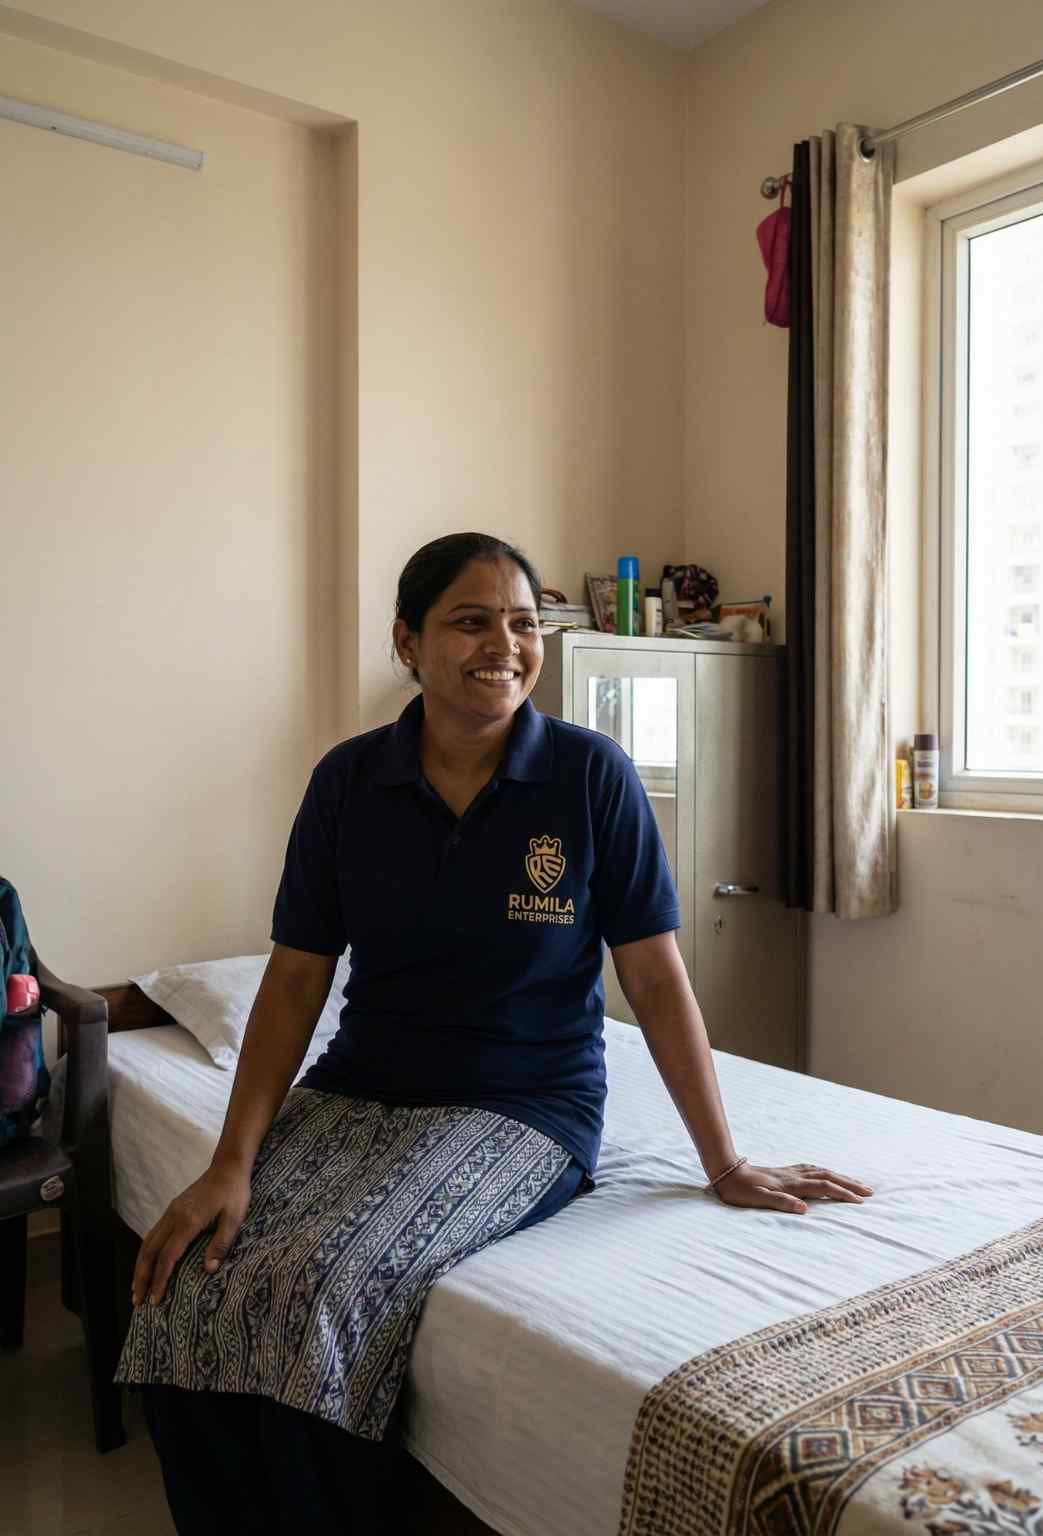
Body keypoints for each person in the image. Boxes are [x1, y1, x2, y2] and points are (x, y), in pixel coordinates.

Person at [118, 532, 873, 1534]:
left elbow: (650, 978)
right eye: (469, 621)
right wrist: (230, 1160)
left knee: (325, 1285)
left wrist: (723, 1159)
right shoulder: (348, 783)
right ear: (407, 641)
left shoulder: (588, 776)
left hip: (523, 1105)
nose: (504, 644)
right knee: (186, 1284)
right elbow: (296, 983)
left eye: (522, 623)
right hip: (360, 1087)